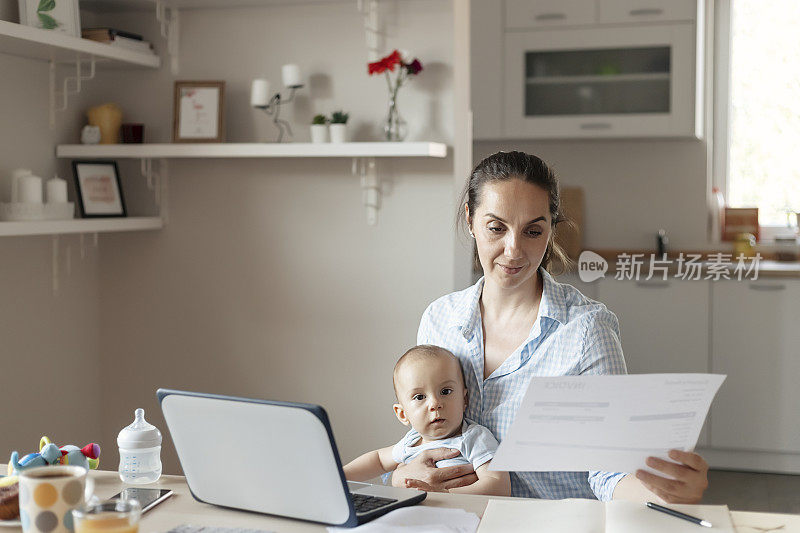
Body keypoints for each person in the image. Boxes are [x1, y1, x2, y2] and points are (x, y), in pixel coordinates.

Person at [390, 151, 709, 504]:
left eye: (533, 231)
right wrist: (401, 475)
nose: (513, 250)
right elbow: (425, 442)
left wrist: (663, 492)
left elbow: (610, 473)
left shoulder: (587, 331)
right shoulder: (439, 319)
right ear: (470, 219)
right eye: (496, 228)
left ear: (551, 229)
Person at [343, 345, 511, 496]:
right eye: (420, 396)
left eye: (445, 391)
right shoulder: (411, 442)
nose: (435, 404)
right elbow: (378, 460)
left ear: (464, 399)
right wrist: (339, 476)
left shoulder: (474, 437)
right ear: (403, 414)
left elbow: (499, 485)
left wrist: (446, 493)